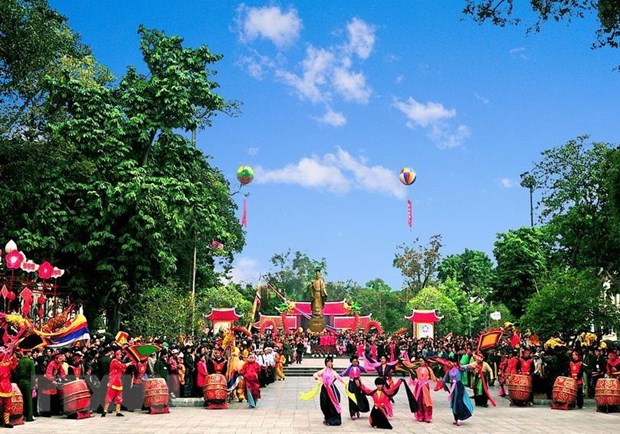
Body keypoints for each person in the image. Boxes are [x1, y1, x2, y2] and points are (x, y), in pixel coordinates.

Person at [443, 357, 475, 427]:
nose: (449, 364)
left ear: (454, 363)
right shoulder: (448, 371)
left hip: (459, 386)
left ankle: (460, 417)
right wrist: (441, 384)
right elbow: (444, 380)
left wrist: (474, 365)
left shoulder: (459, 368)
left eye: (450, 362)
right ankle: (456, 417)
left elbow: (467, 367)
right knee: (454, 402)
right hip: (453, 387)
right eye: (448, 362)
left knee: (459, 401)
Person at [313, 356, 344, 426]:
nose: (330, 363)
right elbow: (315, 374)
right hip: (324, 389)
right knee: (323, 404)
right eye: (328, 362)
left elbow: (339, 377)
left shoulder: (333, 371)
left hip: (331, 389)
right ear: (326, 363)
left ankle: (331, 419)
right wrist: (319, 378)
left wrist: (345, 383)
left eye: (331, 361)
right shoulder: (323, 370)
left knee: (332, 404)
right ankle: (326, 416)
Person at [101, 349, 130, 417]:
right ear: (116, 355)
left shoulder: (118, 362)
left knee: (119, 397)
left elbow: (122, 369)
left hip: (118, 381)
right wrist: (129, 363)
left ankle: (118, 411)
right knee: (109, 396)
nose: (121, 356)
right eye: (120, 355)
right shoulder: (114, 361)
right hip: (113, 381)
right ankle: (104, 411)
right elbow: (122, 367)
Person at [340, 355, 369, 419]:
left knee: (358, 397)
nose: (355, 362)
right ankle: (352, 413)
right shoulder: (349, 368)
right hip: (351, 384)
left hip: (358, 384)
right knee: (351, 398)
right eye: (354, 361)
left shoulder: (359, 368)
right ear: (351, 362)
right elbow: (342, 374)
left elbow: (366, 370)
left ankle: (357, 410)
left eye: (356, 361)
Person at [412, 357, 437, 422]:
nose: (421, 362)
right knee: (419, 401)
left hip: (425, 386)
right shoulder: (417, 369)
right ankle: (420, 416)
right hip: (419, 386)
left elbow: (433, 378)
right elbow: (414, 376)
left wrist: (439, 382)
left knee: (426, 401)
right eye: (420, 361)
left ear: (425, 361)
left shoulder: (428, 369)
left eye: (422, 361)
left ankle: (427, 416)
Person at [14, 350, 36, 423]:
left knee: (21, 400)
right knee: (28, 400)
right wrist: (34, 384)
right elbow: (32, 374)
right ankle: (29, 416)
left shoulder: (19, 361)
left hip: (20, 382)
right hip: (27, 382)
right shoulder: (30, 361)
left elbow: (16, 373)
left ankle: (22, 415)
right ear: (28, 353)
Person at [0, 349, 18, 428]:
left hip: (7, 386)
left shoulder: (7, 363)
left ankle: (6, 422)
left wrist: (14, 356)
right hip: (2, 385)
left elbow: (14, 364)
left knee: (7, 405)